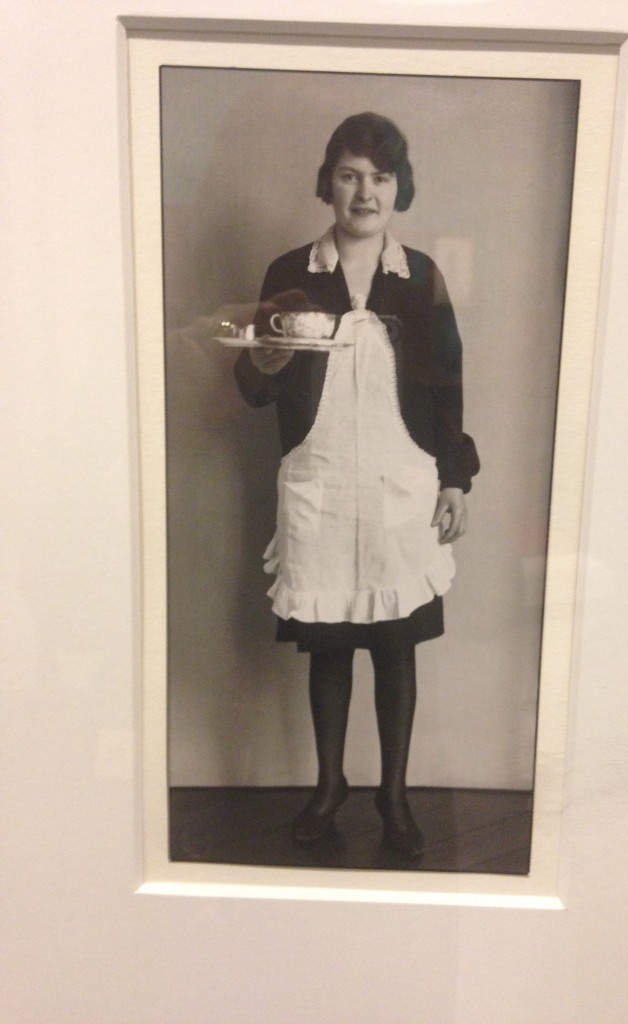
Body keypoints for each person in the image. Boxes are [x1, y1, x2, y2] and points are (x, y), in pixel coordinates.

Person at [234, 112, 479, 858]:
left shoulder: (422, 278)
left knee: (395, 645)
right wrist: (272, 357)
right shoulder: (290, 274)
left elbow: (445, 387)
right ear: (328, 185)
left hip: (401, 483)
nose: (364, 191)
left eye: (379, 176)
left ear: (398, 188)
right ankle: (330, 783)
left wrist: (455, 478)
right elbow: (251, 386)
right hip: (321, 484)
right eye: (349, 174)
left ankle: (394, 794)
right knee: (332, 644)